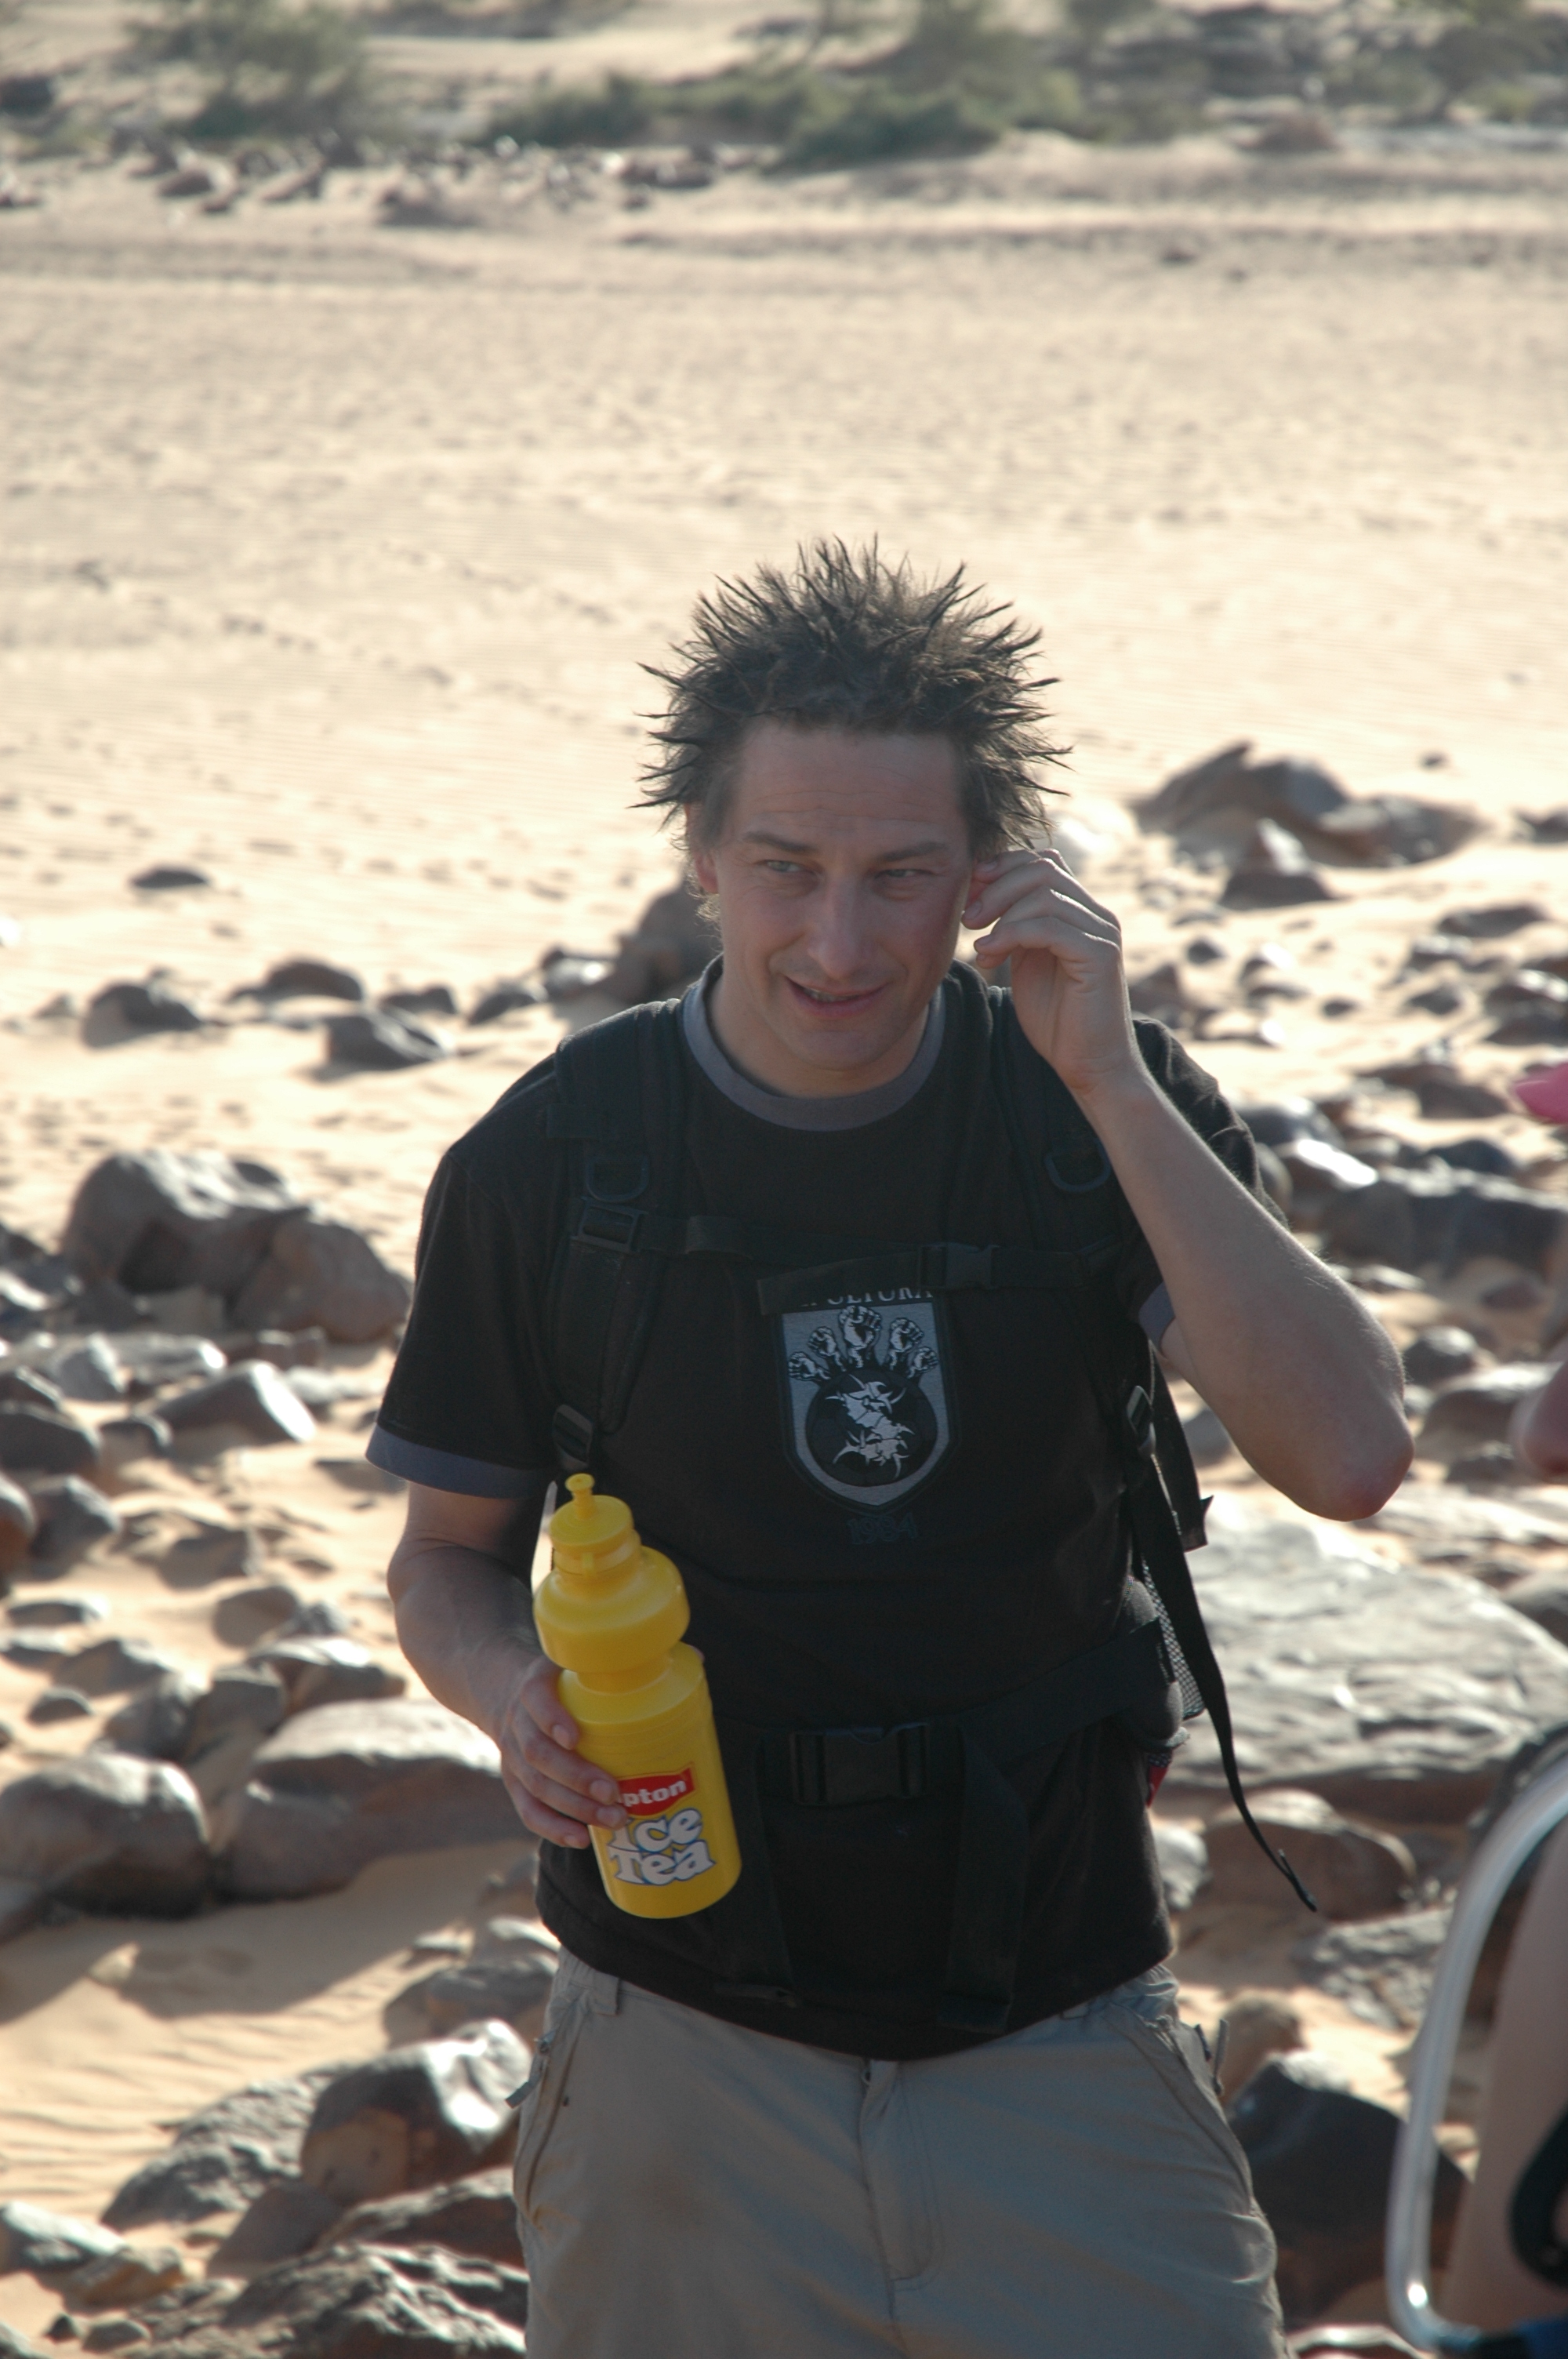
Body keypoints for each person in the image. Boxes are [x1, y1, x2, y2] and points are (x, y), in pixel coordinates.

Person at [374, 543, 1413, 2359]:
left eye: (900, 876)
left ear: (988, 872)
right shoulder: (554, 1165)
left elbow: (1347, 1455)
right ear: (699, 851)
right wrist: (509, 1691)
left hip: (1062, 2020)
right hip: (680, 2041)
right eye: (785, 868)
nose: (839, 944)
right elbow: (445, 1556)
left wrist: (1107, 1077)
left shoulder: (1086, 1107)